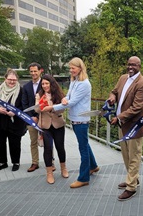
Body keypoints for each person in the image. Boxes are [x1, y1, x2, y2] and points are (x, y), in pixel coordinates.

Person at [48, 57, 99, 188]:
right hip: (75, 118)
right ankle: (93, 166)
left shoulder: (85, 84)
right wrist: (64, 99)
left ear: (80, 68)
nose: (71, 70)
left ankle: (83, 178)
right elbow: (68, 97)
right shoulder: (74, 81)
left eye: (73, 68)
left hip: (81, 120)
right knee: (85, 144)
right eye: (70, 68)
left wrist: (53, 108)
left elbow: (73, 102)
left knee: (83, 148)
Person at [107, 56, 143, 201]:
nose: (130, 67)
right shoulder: (123, 78)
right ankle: (133, 178)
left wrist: (119, 117)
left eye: (134, 65)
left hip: (134, 126)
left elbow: (136, 107)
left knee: (134, 157)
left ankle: (131, 187)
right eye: (129, 64)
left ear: (139, 66)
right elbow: (114, 91)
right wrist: (112, 97)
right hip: (122, 124)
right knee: (126, 155)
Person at [0, 69, 26, 172]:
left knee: (15, 143)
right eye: (10, 79)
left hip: (15, 122)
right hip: (0, 121)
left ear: (17, 79)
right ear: (5, 79)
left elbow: (24, 105)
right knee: (0, 142)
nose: (12, 82)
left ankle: (15, 162)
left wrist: (16, 112)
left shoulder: (21, 91)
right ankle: (2, 162)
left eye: (14, 80)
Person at [35, 74, 69, 184]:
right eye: (43, 84)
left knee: (60, 147)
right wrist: (39, 107)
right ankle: (49, 173)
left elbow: (62, 109)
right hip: (45, 126)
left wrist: (52, 108)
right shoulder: (39, 95)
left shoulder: (59, 94)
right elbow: (37, 110)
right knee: (48, 148)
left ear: (51, 84)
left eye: (46, 83)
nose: (44, 86)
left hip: (58, 124)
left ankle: (63, 168)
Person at [22, 62, 43, 172]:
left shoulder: (46, 84)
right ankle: (35, 162)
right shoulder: (26, 87)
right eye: (31, 71)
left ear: (40, 71)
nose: (33, 73)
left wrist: (38, 116)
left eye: (35, 71)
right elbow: (24, 104)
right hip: (31, 119)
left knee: (47, 140)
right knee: (33, 141)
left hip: (44, 118)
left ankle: (51, 162)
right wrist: (32, 117)